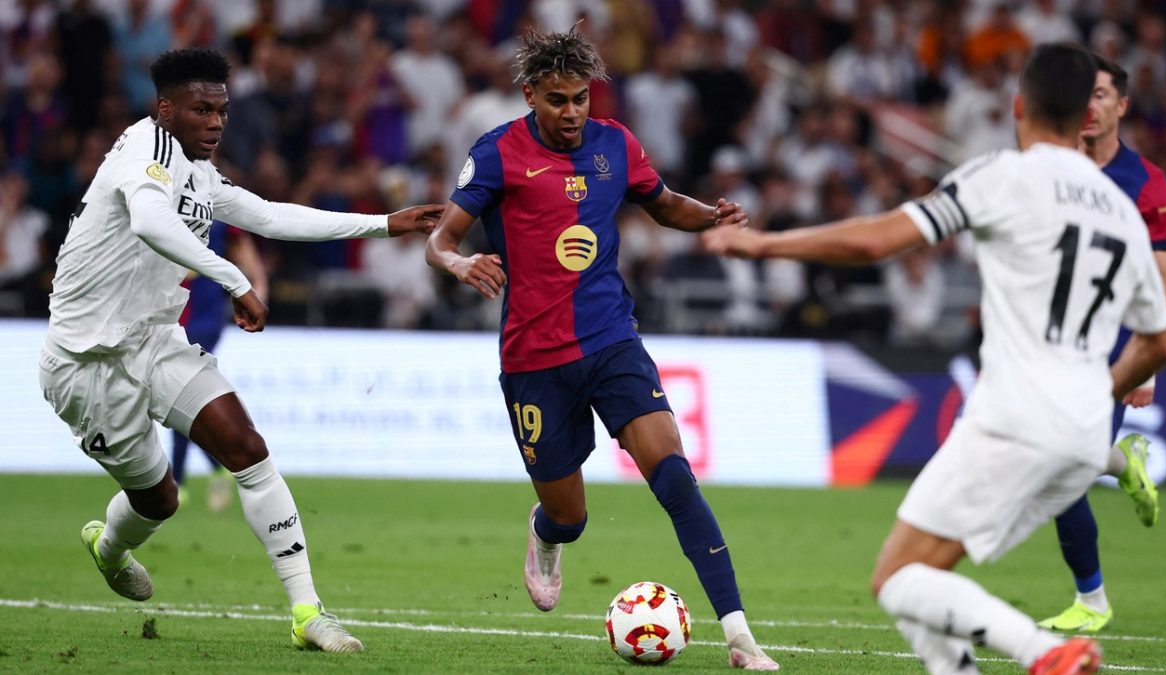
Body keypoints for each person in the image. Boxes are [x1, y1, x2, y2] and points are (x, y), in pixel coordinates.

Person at [704, 42, 1166, 675]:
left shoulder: (1003, 175)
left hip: (1018, 417)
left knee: (897, 577)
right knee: (922, 585)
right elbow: (1161, 340)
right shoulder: (1123, 209)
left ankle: (1046, 652)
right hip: (1087, 435)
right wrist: (1104, 392)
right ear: (1080, 116)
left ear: (1018, 106)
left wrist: (763, 245)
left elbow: (877, 239)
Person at [38, 48, 442, 652]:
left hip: (154, 340)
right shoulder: (141, 150)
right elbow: (150, 222)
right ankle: (110, 545)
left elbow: (268, 215)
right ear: (165, 108)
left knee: (248, 451)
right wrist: (235, 278)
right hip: (83, 362)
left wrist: (383, 223)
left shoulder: (199, 170)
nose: (216, 122)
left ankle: (309, 613)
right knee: (159, 498)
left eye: (222, 110)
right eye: (201, 110)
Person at [425, 28, 778, 671]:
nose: (571, 112)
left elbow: (665, 205)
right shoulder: (499, 151)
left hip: (612, 339)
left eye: (581, 98)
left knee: (672, 472)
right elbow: (441, 238)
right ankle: (545, 533)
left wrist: (714, 217)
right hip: (533, 358)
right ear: (530, 94)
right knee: (570, 517)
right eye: (556, 100)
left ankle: (740, 637)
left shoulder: (617, 144)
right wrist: (458, 261)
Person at [1038, 54, 1166, 633]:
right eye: (1081, 95)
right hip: (1053, 338)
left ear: (1121, 105)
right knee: (1048, 455)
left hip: (1116, 344)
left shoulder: (1146, 183)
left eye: (1101, 95)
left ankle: (1092, 600)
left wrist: (1146, 366)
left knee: (1058, 468)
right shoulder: (1050, 170)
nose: (1089, 105)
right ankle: (1125, 462)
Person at [171, 220, 267, 512]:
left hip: (202, 318)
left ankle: (179, 483)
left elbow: (241, 245)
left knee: (178, 394)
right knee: (178, 398)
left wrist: (258, 286)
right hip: (168, 316)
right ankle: (216, 466)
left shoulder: (213, 205)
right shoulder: (160, 197)